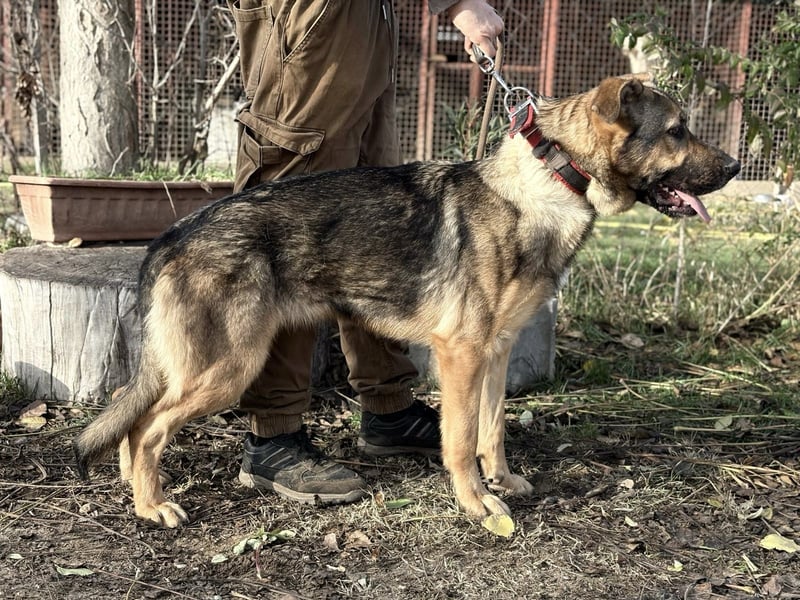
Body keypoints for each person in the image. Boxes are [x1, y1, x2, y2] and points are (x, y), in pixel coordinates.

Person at [229, 0, 504, 504]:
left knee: (379, 217)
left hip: (364, 19)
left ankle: (388, 409)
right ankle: (273, 433)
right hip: (313, 17)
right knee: (296, 215)